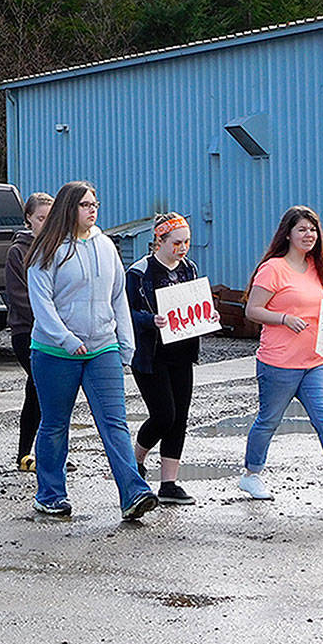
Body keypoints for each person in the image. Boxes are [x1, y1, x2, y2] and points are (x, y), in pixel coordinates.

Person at [25, 181, 157, 520]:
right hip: (55, 352)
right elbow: (42, 306)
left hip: (102, 348)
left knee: (114, 423)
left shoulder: (105, 245)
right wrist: (67, 339)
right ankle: (51, 494)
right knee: (55, 424)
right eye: (85, 204)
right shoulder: (47, 250)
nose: (92, 209)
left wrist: (125, 343)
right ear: (70, 209)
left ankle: (133, 493)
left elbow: (118, 297)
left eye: (94, 203)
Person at [240, 205, 323, 504]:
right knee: (269, 420)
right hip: (279, 362)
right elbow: (252, 310)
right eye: (302, 229)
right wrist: (284, 318)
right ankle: (251, 475)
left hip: (314, 361)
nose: (308, 235)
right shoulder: (273, 268)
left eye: (312, 230)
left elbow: (316, 305)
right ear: (287, 234)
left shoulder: (316, 267)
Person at [127, 212, 217, 506]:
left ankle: (169, 483)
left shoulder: (189, 268)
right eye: (177, 242)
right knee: (164, 414)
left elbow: (196, 305)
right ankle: (136, 458)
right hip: (151, 355)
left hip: (182, 351)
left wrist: (209, 315)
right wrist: (150, 319)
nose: (183, 247)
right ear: (159, 240)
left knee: (180, 418)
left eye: (187, 241)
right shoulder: (141, 272)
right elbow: (127, 313)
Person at [5, 192, 54, 472]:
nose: (45, 224)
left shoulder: (57, 247)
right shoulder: (18, 251)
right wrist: (47, 320)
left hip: (56, 332)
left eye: (50, 218)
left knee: (37, 390)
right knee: (42, 386)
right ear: (28, 219)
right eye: (40, 218)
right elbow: (18, 296)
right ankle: (31, 454)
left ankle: (33, 453)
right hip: (27, 331)